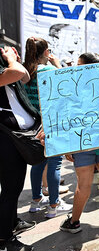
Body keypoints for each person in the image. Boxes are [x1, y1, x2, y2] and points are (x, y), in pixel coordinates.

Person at [59, 52, 99, 234]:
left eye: (79, 65)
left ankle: (74, 221)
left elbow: (69, 118)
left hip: (83, 142)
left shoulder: (75, 89)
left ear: (86, 67)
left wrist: (68, 146)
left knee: (84, 184)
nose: (76, 68)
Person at [22, 37, 73, 219]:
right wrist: (58, 64)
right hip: (52, 123)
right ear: (46, 52)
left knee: (38, 163)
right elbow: (68, 87)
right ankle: (54, 205)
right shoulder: (50, 70)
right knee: (54, 164)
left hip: (33, 123)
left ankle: (36, 200)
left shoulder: (25, 71)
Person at [0, 46, 37, 251]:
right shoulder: (8, 65)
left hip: (16, 136)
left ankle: (11, 222)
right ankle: (4, 238)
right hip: (5, 136)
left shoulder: (7, 64)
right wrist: (11, 59)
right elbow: (17, 73)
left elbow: (24, 78)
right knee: (10, 188)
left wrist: (11, 60)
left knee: (13, 186)